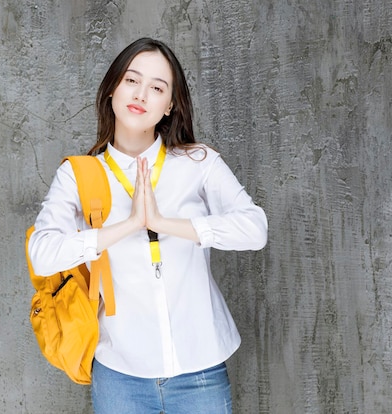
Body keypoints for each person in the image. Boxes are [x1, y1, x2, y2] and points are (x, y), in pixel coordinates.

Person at [28, 38, 267, 414]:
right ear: (112, 89)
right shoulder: (79, 174)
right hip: (120, 374)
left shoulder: (197, 163)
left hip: (199, 370)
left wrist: (164, 223)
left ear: (170, 104)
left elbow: (255, 229)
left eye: (157, 88)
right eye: (131, 81)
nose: (141, 94)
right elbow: (41, 255)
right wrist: (126, 226)